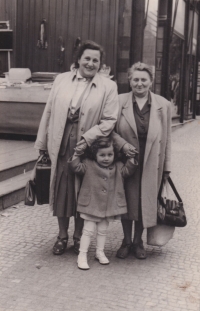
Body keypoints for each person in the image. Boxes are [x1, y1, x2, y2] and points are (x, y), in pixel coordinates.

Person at [34, 40, 119, 255]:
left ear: (100, 64)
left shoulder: (108, 86)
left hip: (88, 147)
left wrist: (89, 138)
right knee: (62, 191)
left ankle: (79, 236)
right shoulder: (61, 80)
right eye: (87, 58)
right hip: (62, 143)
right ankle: (62, 236)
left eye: (95, 60)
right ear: (79, 59)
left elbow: (109, 120)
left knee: (84, 190)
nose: (90, 63)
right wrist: (42, 145)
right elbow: (49, 111)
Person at [113, 62, 171, 259]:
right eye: (135, 79)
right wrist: (122, 145)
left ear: (151, 81)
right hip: (126, 162)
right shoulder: (119, 101)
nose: (139, 83)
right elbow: (109, 132)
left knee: (144, 202)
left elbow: (168, 139)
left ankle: (138, 242)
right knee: (127, 201)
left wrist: (167, 168)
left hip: (151, 163)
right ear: (129, 81)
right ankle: (126, 240)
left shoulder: (163, 105)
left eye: (143, 80)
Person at [69, 136, 138, 270]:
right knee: (88, 231)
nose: (106, 158)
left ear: (114, 154)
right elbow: (76, 167)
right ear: (95, 154)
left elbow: (127, 171)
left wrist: (131, 158)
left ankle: (100, 252)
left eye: (110, 154)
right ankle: (82, 255)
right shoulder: (88, 164)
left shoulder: (118, 166)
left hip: (108, 206)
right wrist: (77, 153)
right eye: (102, 155)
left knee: (103, 230)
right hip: (91, 205)